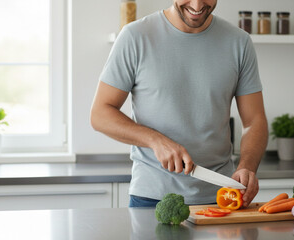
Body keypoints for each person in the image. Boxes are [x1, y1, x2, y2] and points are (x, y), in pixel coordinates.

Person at [90, 0, 268, 208]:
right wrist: (155, 140)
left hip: (223, 197)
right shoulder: (135, 36)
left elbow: (255, 120)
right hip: (152, 198)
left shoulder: (239, 42)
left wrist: (247, 167)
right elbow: (100, 114)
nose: (197, 4)